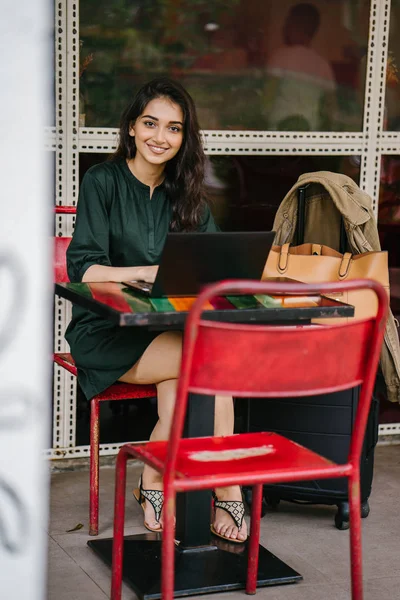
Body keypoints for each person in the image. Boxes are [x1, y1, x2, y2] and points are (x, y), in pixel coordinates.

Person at [65, 78, 248, 543]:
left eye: (174, 128)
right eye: (150, 123)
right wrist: (149, 270)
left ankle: (153, 477)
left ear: (185, 138)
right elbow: (82, 267)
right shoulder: (101, 181)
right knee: (210, 365)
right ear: (131, 127)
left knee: (189, 375)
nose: (159, 137)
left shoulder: (185, 191)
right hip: (107, 331)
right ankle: (226, 485)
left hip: (170, 331)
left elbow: (212, 263)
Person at [265, 3, 336, 130]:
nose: (284, 27)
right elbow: (331, 109)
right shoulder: (323, 65)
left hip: (277, 136)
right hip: (309, 137)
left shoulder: (280, 57)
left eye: (287, 22)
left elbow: (267, 101)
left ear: (294, 26)